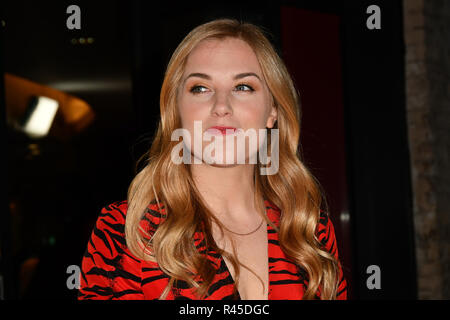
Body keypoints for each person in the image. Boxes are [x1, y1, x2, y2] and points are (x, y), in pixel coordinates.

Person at [78, 18, 347, 300]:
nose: (221, 106)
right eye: (200, 88)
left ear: (273, 111)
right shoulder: (126, 230)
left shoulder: (309, 231)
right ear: (176, 110)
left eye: (243, 87)